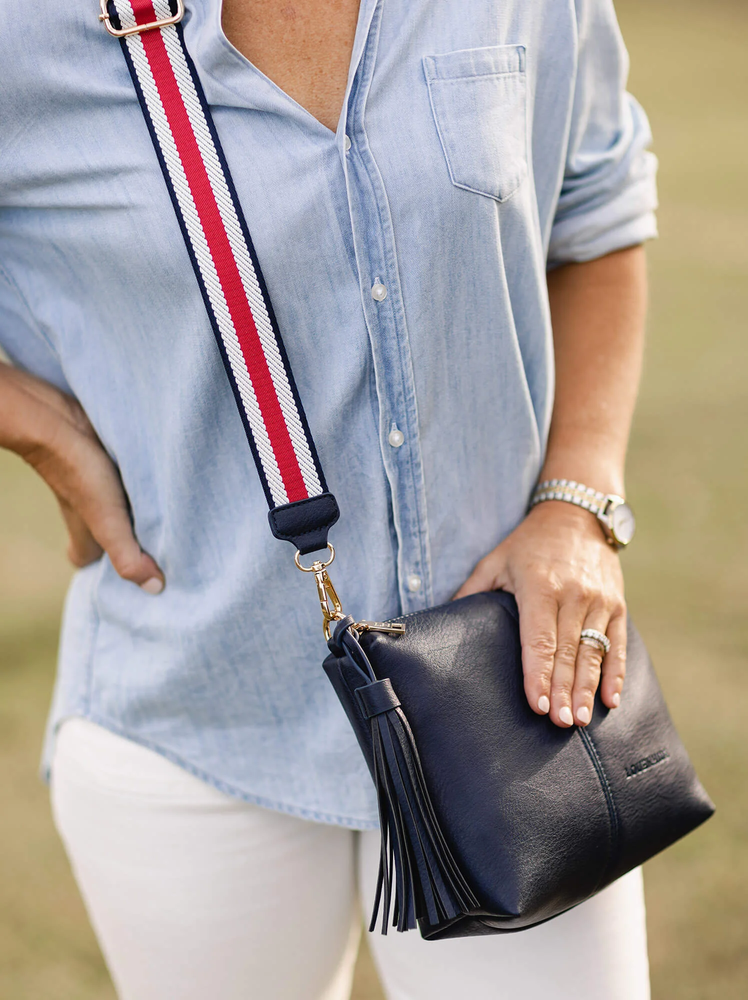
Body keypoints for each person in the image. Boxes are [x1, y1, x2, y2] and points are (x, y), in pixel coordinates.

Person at [0, 0, 657, 996]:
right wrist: (36, 426)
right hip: (195, 708)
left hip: (517, 695)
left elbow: (596, 210)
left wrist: (576, 503)